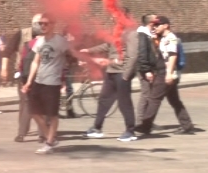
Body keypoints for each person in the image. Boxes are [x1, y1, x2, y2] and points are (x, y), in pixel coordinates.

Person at [22, 13, 82, 154]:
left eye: (45, 23)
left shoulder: (60, 41)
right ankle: (51, 137)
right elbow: (36, 62)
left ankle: (49, 143)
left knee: (52, 114)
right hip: (39, 81)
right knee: (34, 112)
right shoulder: (40, 41)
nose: (42, 26)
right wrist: (29, 81)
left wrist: (82, 61)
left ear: (53, 25)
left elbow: (72, 55)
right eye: (40, 23)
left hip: (52, 83)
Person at [82, 14, 139, 142]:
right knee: (104, 99)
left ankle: (130, 131)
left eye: (115, 17)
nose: (112, 19)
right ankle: (97, 128)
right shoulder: (115, 33)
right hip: (111, 71)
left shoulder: (131, 33)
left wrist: (126, 74)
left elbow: (133, 55)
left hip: (121, 73)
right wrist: (89, 50)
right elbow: (107, 46)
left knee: (124, 103)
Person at [136, 17, 194, 136]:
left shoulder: (171, 38)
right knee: (174, 101)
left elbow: (173, 56)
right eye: (154, 25)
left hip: (166, 72)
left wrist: (168, 74)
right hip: (166, 72)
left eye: (158, 25)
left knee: (154, 99)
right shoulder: (163, 38)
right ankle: (187, 125)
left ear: (166, 25)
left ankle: (146, 126)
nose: (155, 27)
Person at [14, 14, 42, 143]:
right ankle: (43, 134)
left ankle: (21, 133)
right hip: (41, 77)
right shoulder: (49, 43)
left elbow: (22, 60)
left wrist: (20, 74)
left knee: (27, 105)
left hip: (26, 77)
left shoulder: (28, 44)